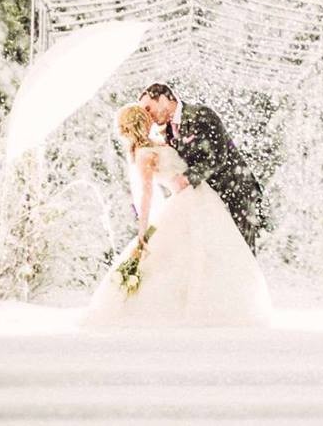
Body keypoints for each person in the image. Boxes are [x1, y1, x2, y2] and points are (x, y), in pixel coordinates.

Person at [82, 102, 272, 329]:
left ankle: (182, 306)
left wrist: (142, 230)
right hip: (203, 196)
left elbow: (146, 194)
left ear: (126, 130)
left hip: (185, 199)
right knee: (207, 250)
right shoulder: (162, 145)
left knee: (180, 254)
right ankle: (218, 304)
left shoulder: (144, 154)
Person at [138, 81, 267, 250]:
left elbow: (218, 157)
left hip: (236, 192)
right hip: (210, 200)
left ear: (163, 99)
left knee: (242, 254)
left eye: (148, 109)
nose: (149, 116)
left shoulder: (201, 114)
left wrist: (187, 178)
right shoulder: (168, 132)